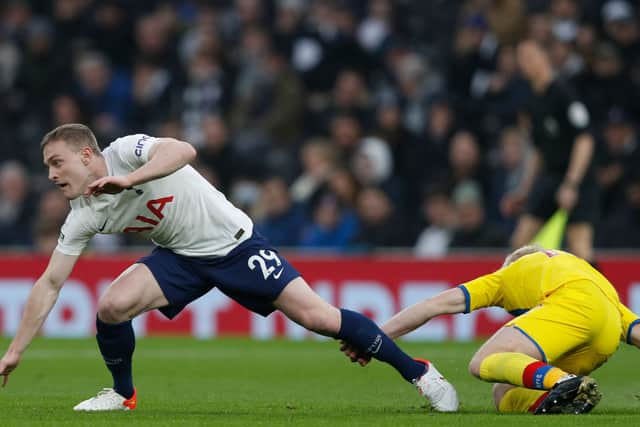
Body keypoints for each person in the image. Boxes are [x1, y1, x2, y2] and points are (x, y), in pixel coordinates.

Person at [0, 124, 458, 412]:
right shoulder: (83, 214)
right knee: (112, 307)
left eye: (56, 162)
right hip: (179, 257)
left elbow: (184, 149)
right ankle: (123, 394)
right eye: (46, 167)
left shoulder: (126, 152)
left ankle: (418, 372)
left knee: (320, 318)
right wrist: (16, 350)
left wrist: (131, 179)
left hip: (235, 245)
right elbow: (50, 282)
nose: (51, 175)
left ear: (85, 155)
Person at [342, 244, 640, 414]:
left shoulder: (508, 274)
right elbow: (636, 332)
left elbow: (435, 305)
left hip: (570, 307)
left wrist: (373, 337)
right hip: (605, 334)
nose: (520, 315)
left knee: (482, 362)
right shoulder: (589, 275)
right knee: (504, 391)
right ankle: (564, 397)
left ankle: (564, 381)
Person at [502, 40, 597, 263]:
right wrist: (524, 189)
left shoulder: (563, 93)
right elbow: (538, 150)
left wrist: (572, 183)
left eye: (531, 57)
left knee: (581, 249)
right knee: (519, 244)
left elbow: (585, 139)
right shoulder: (532, 102)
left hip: (578, 178)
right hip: (551, 176)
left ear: (545, 58)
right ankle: (518, 295)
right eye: (522, 59)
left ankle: (602, 295)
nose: (526, 63)